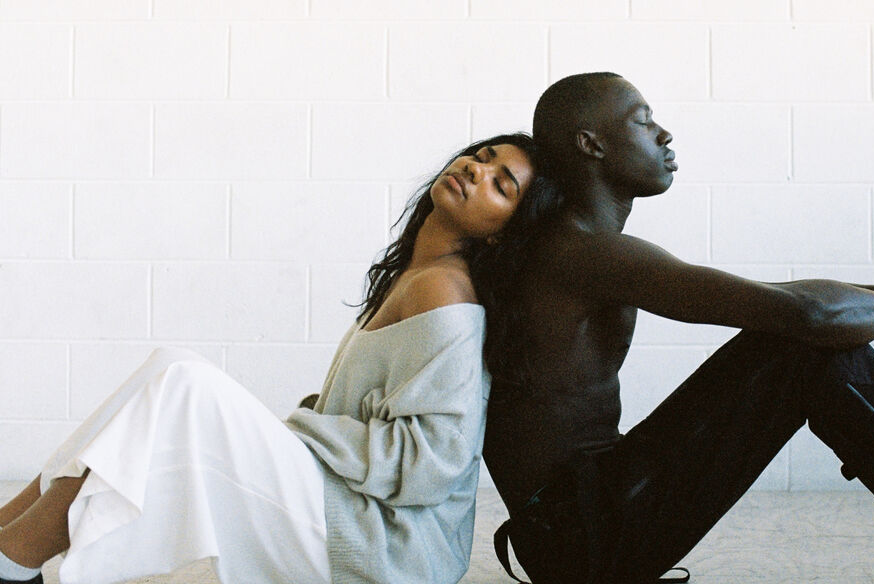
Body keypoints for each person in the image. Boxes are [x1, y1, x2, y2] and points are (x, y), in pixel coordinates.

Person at [484, 72, 874, 584]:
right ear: (591, 144)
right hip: (577, 542)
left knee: (796, 340)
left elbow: (786, 303)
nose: (664, 134)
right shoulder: (583, 253)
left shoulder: (577, 247)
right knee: (801, 348)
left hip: (577, 527)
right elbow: (807, 314)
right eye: (643, 120)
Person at [0, 133, 556, 584]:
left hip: (388, 552)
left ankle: (13, 558)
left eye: (500, 185)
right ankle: (8, 541)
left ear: (503, 235)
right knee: (169, 369)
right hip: (344, 504)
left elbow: (429, 465)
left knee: (184, 385)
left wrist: (301, 435)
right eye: (483, 157)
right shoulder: (416, 275)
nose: (477, 170)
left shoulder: (447, 294)